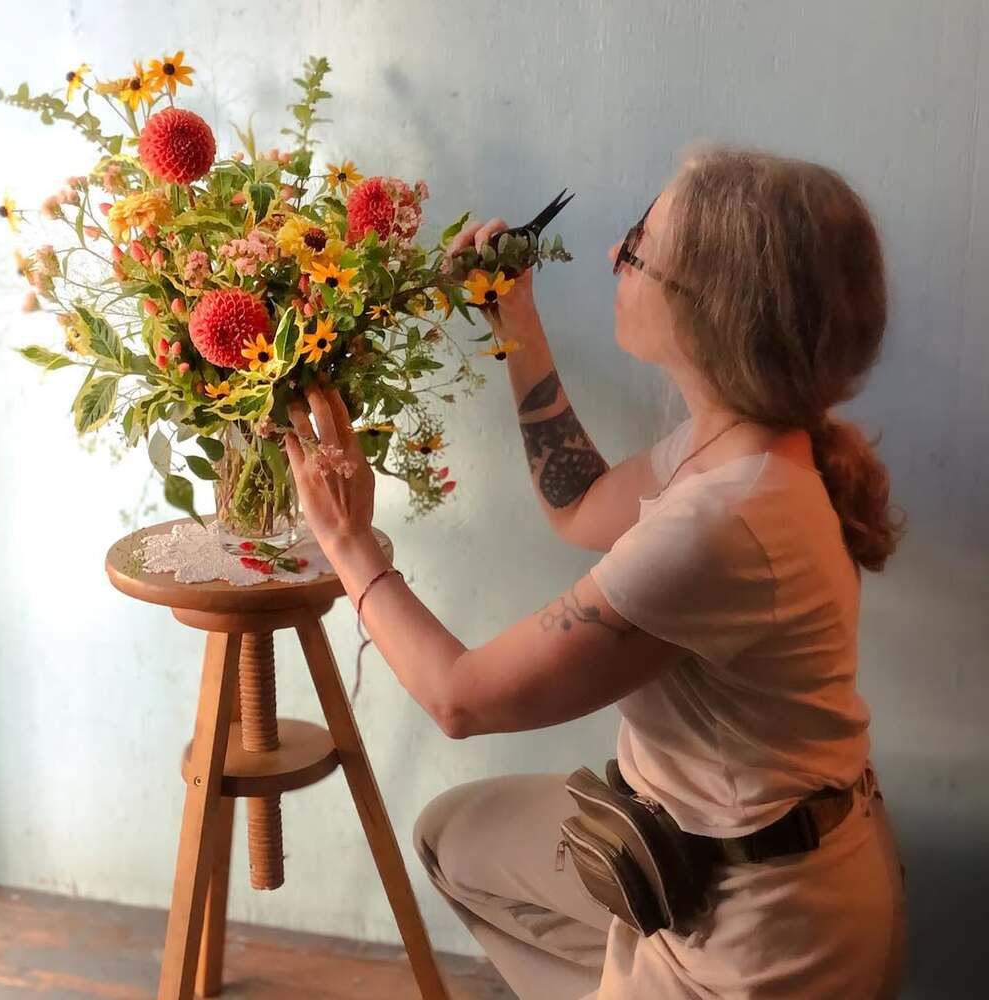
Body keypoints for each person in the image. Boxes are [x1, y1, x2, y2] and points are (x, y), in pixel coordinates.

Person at [285, 142, 908, 999]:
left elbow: (460, 699)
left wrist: (349, 544)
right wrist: (516, 323)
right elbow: (579, 505)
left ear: (710, 315)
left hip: (757, 940)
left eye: (637, 246)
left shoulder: (722, 524)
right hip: (688, 858)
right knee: (455, 837)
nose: (615, 257)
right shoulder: (741, 441)